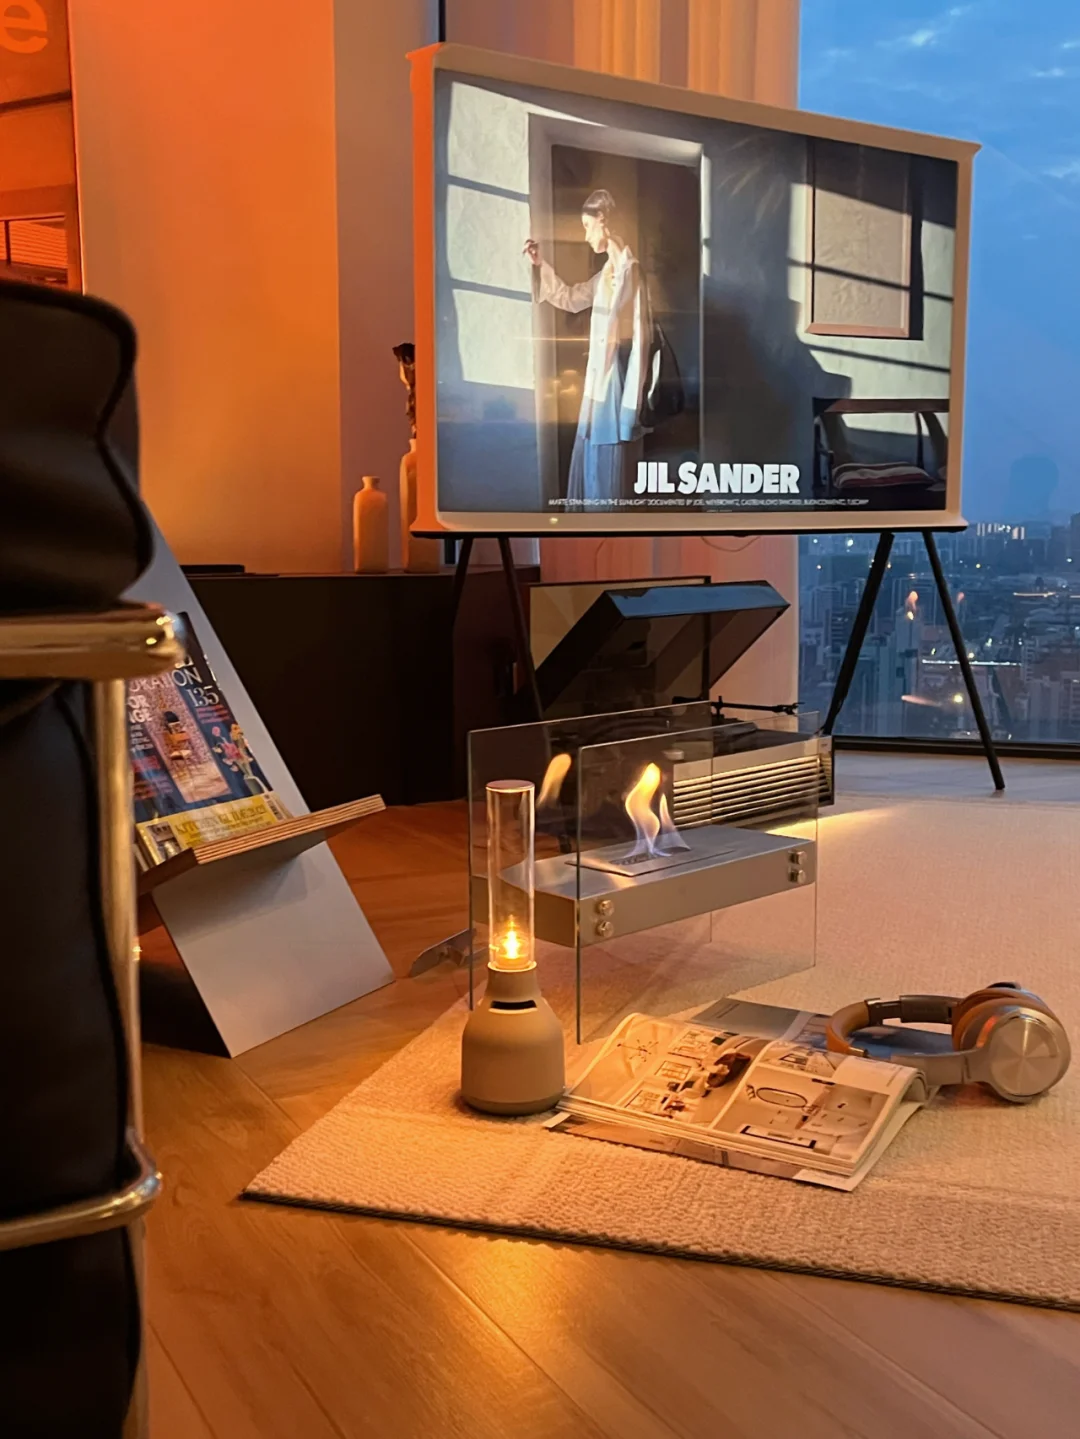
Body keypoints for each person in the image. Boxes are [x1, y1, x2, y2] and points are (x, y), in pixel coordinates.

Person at [524, 188, 650, 503]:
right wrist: (540, 265)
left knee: (609, 478)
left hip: (616, 389)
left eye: (586, 226)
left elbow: (641, 342)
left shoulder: (631, 272)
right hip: (597, 387)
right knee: (594, 473)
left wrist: (630, 412)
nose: (585, 236)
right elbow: (569, 298)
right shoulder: (605, 274)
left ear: (602, 219)